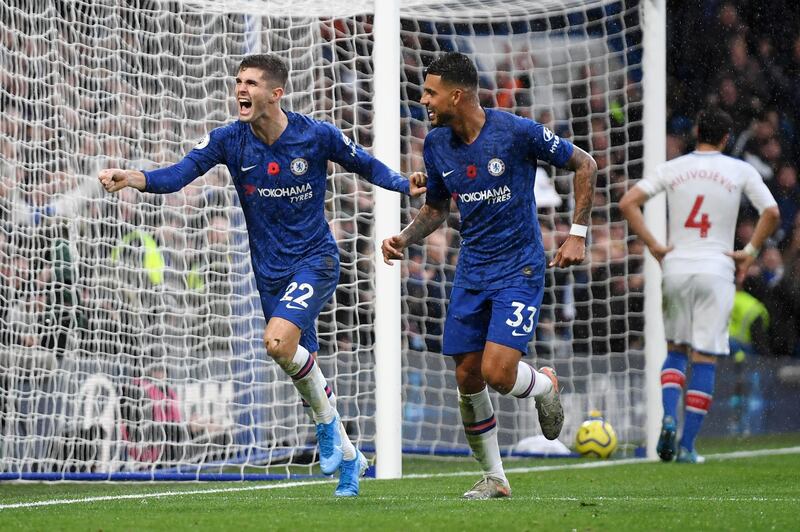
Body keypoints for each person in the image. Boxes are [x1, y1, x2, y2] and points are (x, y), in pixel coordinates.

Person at [99, 53, 426, 496]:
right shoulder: (230, 140)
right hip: (269, 273)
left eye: (250, 83)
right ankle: (351, 457)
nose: (240, 90)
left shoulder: (316, 135)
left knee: (276, 342)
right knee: (298, 367)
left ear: (276, 93)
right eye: (238, 82)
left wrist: (407, 184)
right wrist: (133, 176)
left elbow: (366, 165)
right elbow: (179, 175)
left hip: (315, 259)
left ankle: (327, 430)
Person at [381, 52, 598, 499]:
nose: (424, 100)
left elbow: (586, 164)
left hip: (518, 267)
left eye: (431, 92)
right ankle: (495, 477)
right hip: (472, 270)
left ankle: (543, 385)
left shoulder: (515, 131)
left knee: (498, 374)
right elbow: (438, 208)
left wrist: (577, 234)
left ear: (457, 95)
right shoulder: (436, 144)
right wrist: (405, 238)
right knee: (467, 377)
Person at [619, 107, 780, 463]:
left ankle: (666, 417)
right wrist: (750, 252)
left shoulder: (673, 168)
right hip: (716, 266)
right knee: (704, 356)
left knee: (675, 349)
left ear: (695, 131)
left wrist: (655, 246)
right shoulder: (740, 170)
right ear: (725, 138)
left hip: (677, 265)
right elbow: (772, 213)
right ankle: (688, 447)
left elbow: (628, 202)